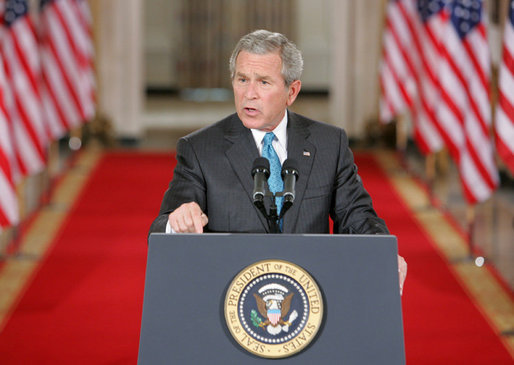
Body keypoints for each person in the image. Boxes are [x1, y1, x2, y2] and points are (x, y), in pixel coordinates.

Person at [149, 30, 407, 293]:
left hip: (311, 293)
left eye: (263, 82)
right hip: (230, 295)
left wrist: (381, 249)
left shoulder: (329, 144)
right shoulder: (200, 149)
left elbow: (357, 215)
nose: (249, 93)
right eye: (242, 79)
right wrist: (176, 222)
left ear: (291, 92)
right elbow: (159, 230)